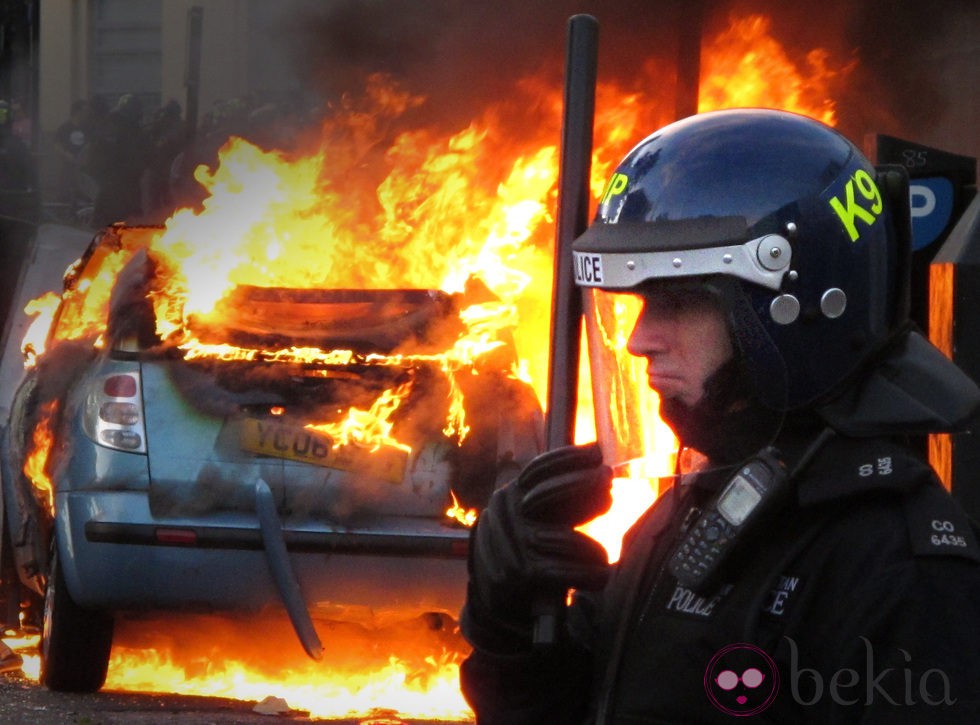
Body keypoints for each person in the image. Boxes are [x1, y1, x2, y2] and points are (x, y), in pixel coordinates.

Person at [459, 108, 980, 723]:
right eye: (638, 305)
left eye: (677, 301)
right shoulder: (688, 510)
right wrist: (511, 633)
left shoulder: (898, 573)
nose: (638, 340)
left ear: (792, 309)